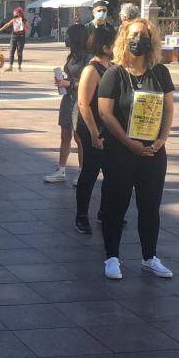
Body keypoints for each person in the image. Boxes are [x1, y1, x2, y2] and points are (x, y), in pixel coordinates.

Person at [97, 18, 175, 281]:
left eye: (143, 34)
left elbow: (169, 107)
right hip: (121, 151)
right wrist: (129, 143)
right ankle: (112, 258)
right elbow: (105, 113)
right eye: (133, 34)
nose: (138, 39)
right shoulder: (114, 73)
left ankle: (149, 257)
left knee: (150, 206)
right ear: (124, 38)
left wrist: (162, 138)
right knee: (115, 205)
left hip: (153, 151)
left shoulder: (160, 73)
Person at [74, 27, 115, 235]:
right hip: (92, 126)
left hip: (109, 127)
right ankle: (81, 215)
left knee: (111, 172)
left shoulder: (112, 67)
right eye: (114, 43)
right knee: (90, 172)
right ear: (105, 46)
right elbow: (83, 103)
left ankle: (104, 211)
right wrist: (93, 133)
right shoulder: (92, 70)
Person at [45, 25, 88, 183]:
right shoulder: (73, 55)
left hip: (80, 99)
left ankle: (82, 171)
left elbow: (89, 82)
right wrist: (62, 81)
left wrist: (68, 83)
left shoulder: (87, 57)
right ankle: (61, 170)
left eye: (69, 36)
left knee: (79, 137)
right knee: (65, 135)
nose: (66, 39)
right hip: (68, 98)